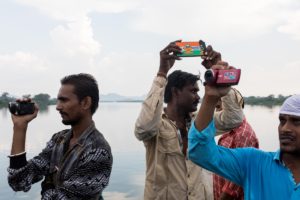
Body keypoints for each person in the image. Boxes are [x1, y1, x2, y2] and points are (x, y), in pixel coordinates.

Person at [188, 61, 300, 200]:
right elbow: (200, 152)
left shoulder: (244, 135)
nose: (285, 129)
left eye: (296, 122)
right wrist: (210, 97)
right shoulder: (254, 162)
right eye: (282, 121)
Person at [134, 40, 220, 200]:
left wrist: (217, 72)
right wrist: (162, 72)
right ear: (175, 92)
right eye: (193, 91)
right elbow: (143, 130)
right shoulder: (157, 125)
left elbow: (233, 118)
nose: (198, 97)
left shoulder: (201, 123)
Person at [7, 73, 113, 200]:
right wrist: (20, 127)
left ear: (85, 102)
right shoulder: (59, 139)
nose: (57, 107)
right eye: (58, 100)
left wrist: (47, 185)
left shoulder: (97, 151)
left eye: (64, 100)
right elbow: (19, 181)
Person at [213, 88, 259, 200]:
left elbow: (236, 182)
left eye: (222, 102)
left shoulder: (244, 135)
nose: (217, 104)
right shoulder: (228, 131)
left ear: (234, 106)